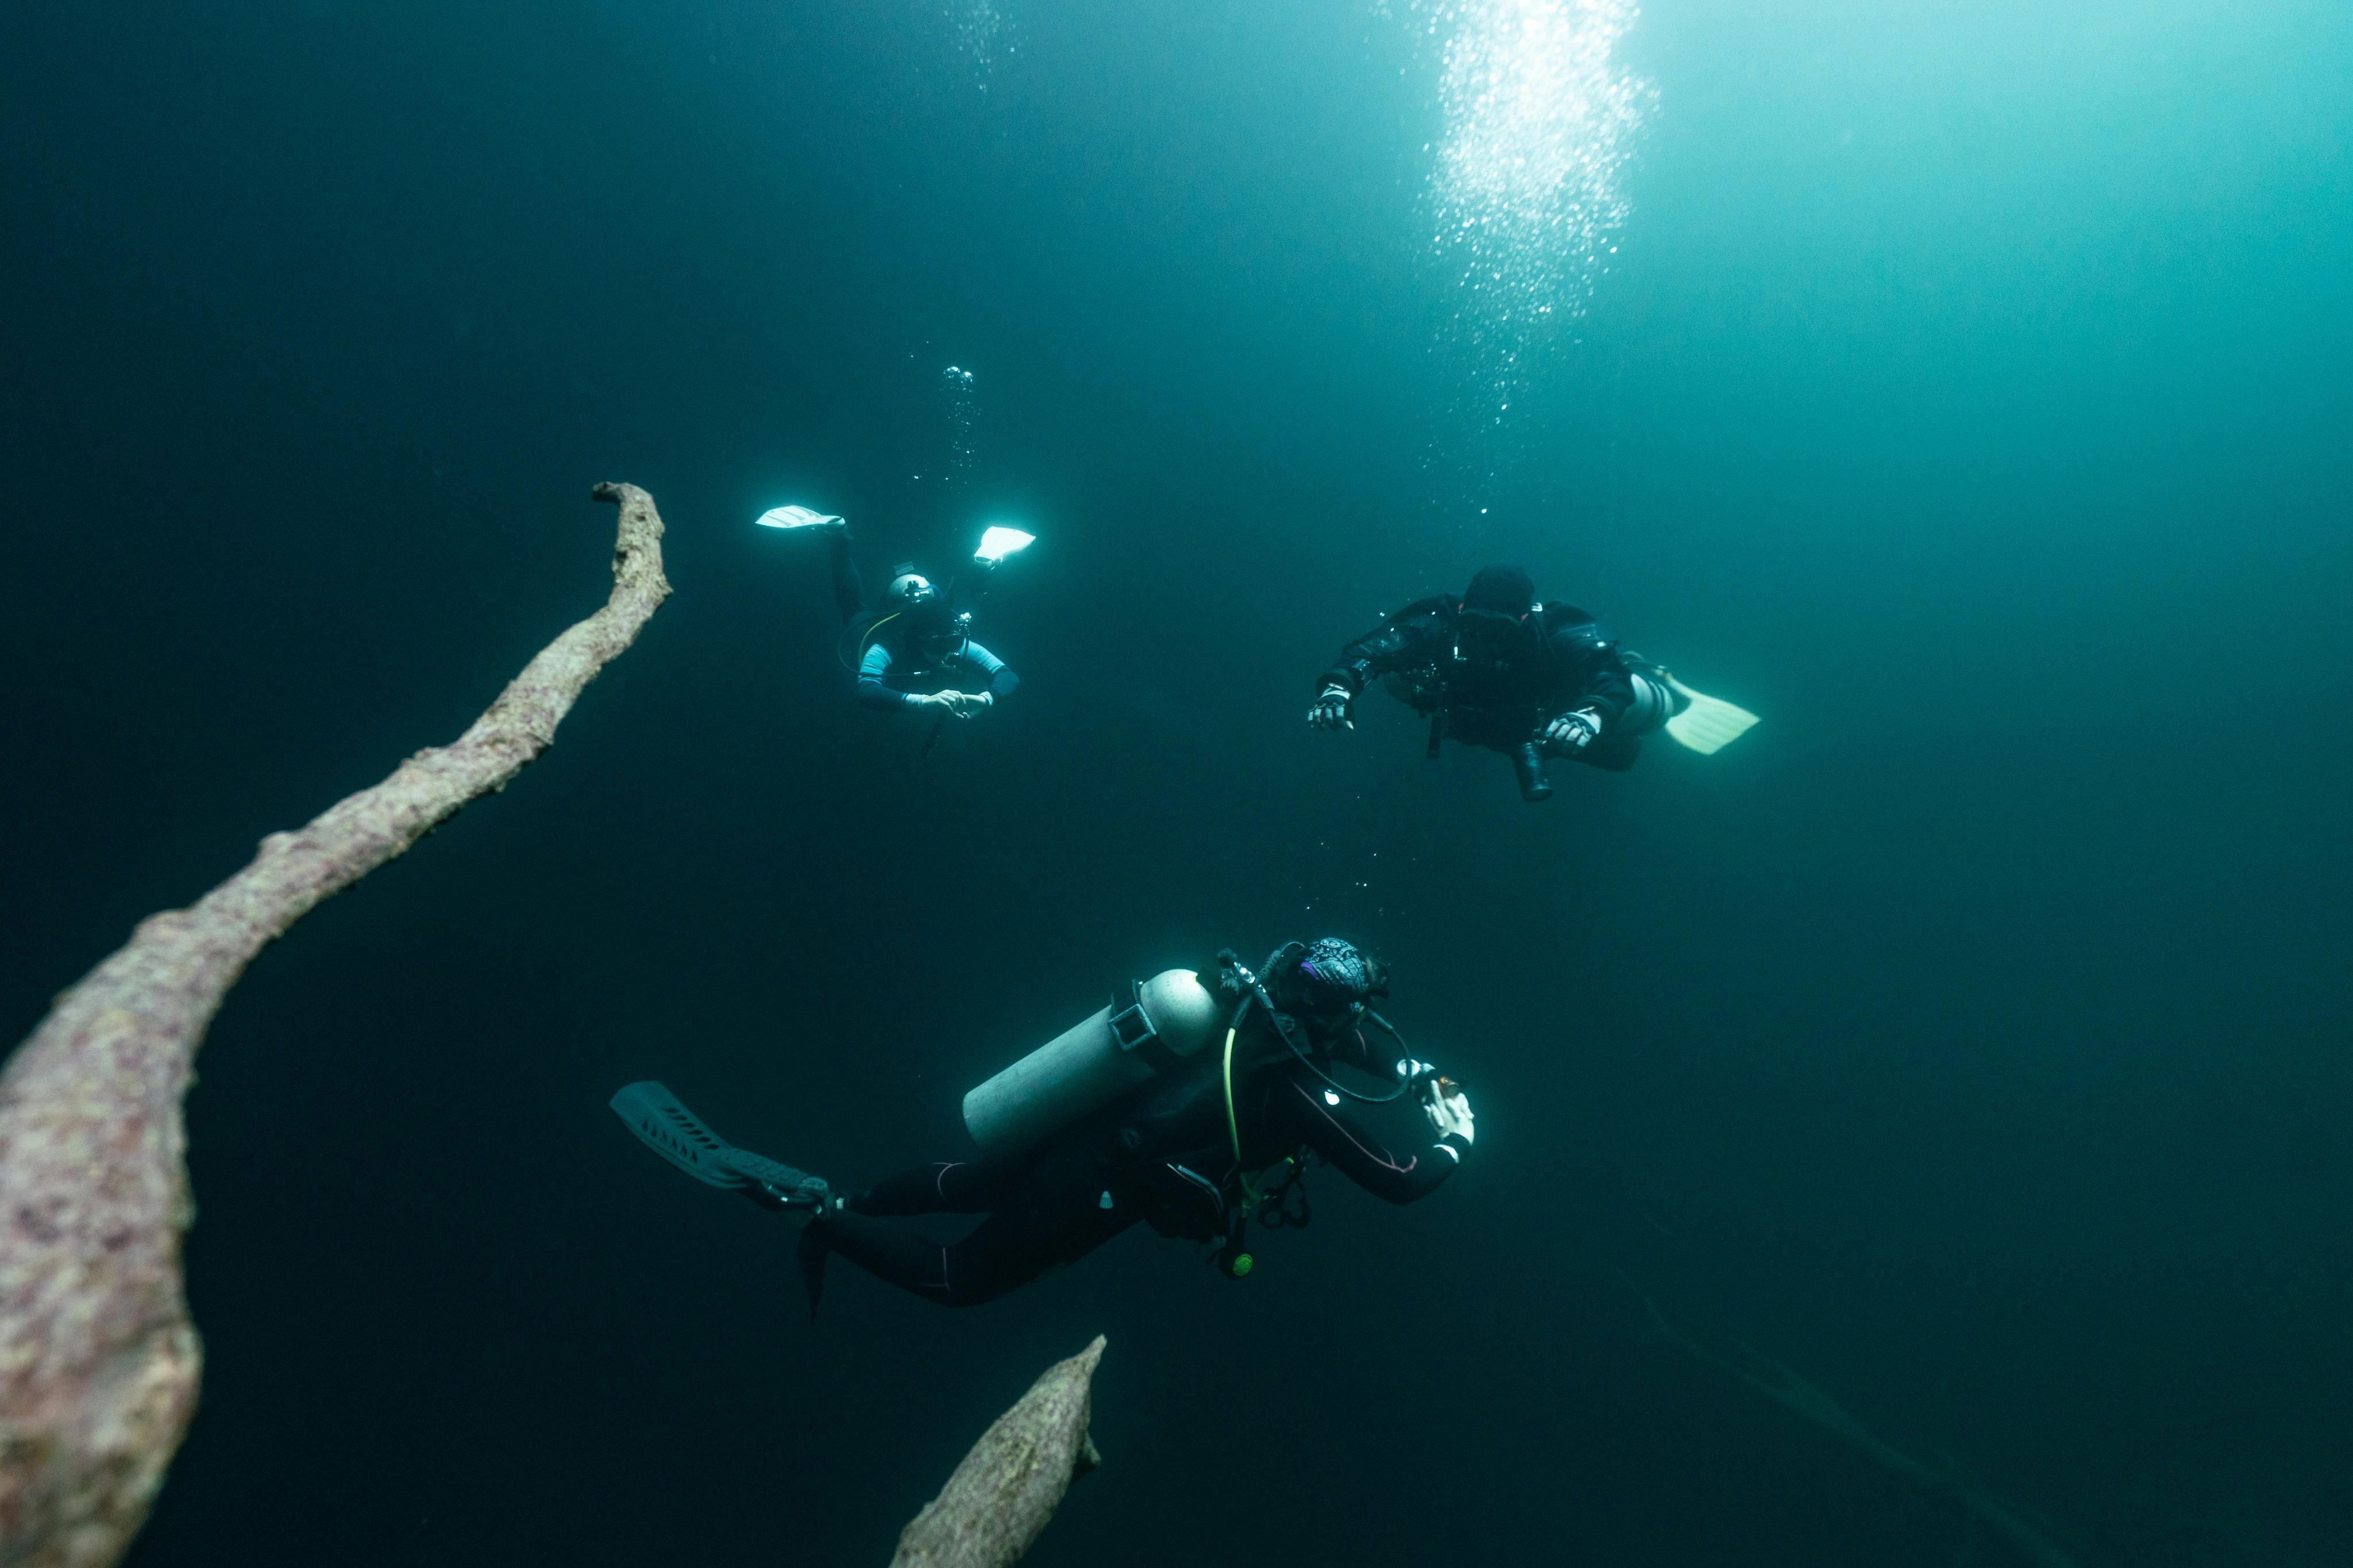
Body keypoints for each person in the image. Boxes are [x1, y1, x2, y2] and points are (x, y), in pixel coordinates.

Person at [611, 939, 1474, 1313]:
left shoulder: (1241, 1010)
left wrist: (1411, 1073)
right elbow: (1401, 1182)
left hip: (1080, 1131)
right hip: (1097, 1187)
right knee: (960, 1278)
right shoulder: (1287, 1093)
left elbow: (1351, 1039)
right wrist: (1455, 1136)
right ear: (1320, 1015)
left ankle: (845, 1195)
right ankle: (822, 1216)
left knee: (961, 1181)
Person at [1307, 564, 1681, 802]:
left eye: (1497, 629)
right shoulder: (1438, 617)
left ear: (1525, 618)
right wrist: (1339, 686)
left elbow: (1606, 671)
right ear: (1461, 611)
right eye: (1475, 625)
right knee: (1398, 679)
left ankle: (1654, 681)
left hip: (1551, 718)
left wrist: (1592, 714)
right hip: (1478, 717)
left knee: (1628, 744)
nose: (1485, 639)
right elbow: (1374, 648)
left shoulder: (1558, 627)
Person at [805, 514, 1021, 721]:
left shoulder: (954, 641)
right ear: (918, 640)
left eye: (951, 640)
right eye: (938, 644)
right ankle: (837, 540)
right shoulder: (890, 645)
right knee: (854, 611)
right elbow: (868, 690)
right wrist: (924, 702)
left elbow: (1007, 676)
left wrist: (986, 699)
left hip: (931, 612)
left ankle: (983, 564)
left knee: (964, 614)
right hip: (893, 619)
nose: (946, 650)